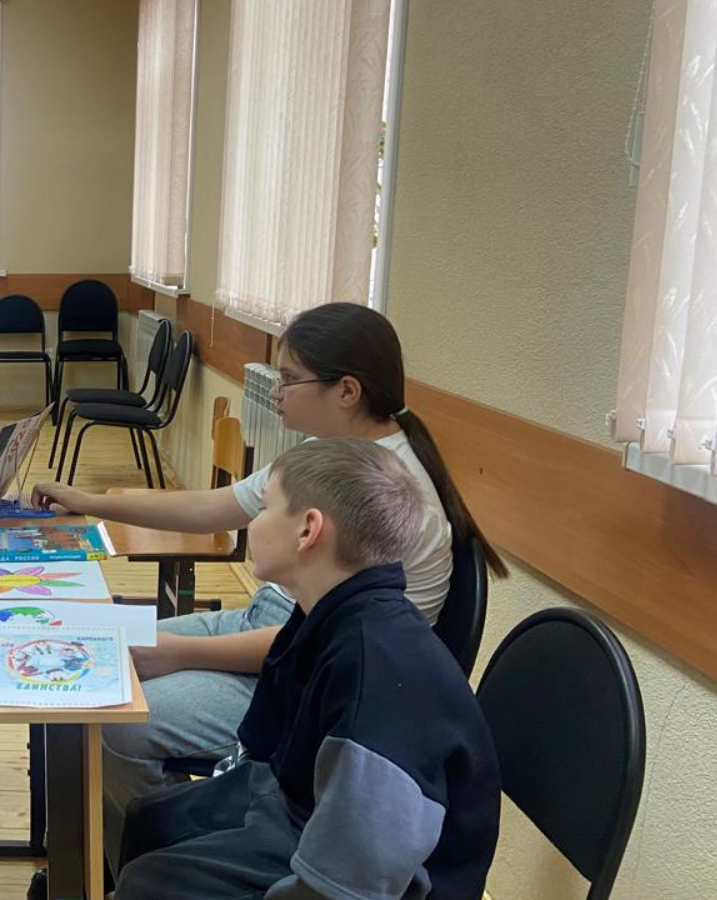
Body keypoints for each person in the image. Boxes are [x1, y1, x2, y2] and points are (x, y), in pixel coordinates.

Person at [30, 302, 507, 867]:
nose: (276, 392)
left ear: (346, 391)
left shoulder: (386, 496)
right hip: (271, 628)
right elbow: (212, 508)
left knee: (119, 724)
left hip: (310, 679)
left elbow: (327, 647)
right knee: (100, 653)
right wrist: (89, 502)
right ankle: (112, 858)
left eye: (288, 379)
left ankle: (170, 864)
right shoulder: (326, 453)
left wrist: (180, 652)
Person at [112, 437, 500, 900]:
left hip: (369, 878)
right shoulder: (327, 615)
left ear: (307, 530)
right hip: (301, 806)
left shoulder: (374, 678)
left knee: (147, 883)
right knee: (148, 822)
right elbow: (273, 758)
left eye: (264, 508)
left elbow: (349, 881)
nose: (252, 523)